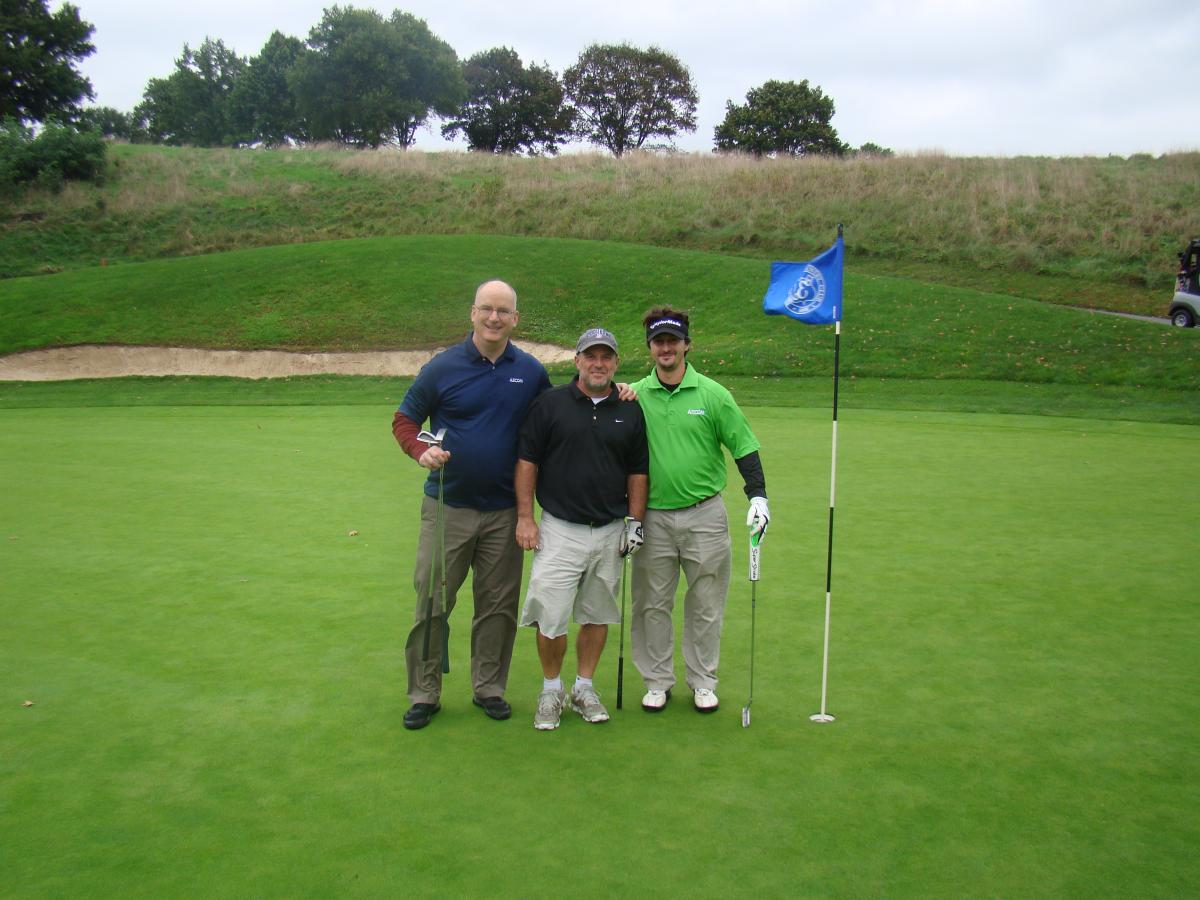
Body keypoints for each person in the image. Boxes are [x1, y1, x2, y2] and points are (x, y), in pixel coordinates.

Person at [391, 280, 551, 730]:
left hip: (506, 511)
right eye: (487, 309)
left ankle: (489, 687)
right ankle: (424, 693)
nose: (494, 318)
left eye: (503, 311)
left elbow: (554, 418)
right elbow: (405, 419)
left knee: (498, 606)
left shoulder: (531, 372)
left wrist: (614, 394)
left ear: (515, 319)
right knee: (432, 601)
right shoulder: (443, 367)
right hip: (448, 506)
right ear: (473, 313)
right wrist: (420, 450)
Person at [629, 306, 770, 714]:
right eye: (659, 342)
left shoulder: (713, 394)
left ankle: (703, 681)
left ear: (687, 345)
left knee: (706, 604)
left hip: (705, 515)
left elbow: (743, 445)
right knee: (651, 604)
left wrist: (758, 495)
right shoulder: (634, 396)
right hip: (652, 518)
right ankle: (657, 681)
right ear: (650, 348)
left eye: (673, 341)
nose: (666, 348)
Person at [515, 328, 649, 731]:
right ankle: (551, 690)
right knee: (550, 615)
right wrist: (526, 517)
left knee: (596, 614)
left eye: (606, 357)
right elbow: (527, 462)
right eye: (591, 356)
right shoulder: (550, 404)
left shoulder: (630, 408)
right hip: (560, 529)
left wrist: (635, 523)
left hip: (610, 530)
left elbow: (637, 471)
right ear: (577, 361)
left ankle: (584, 688)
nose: (598, 364)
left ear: (616, 363)